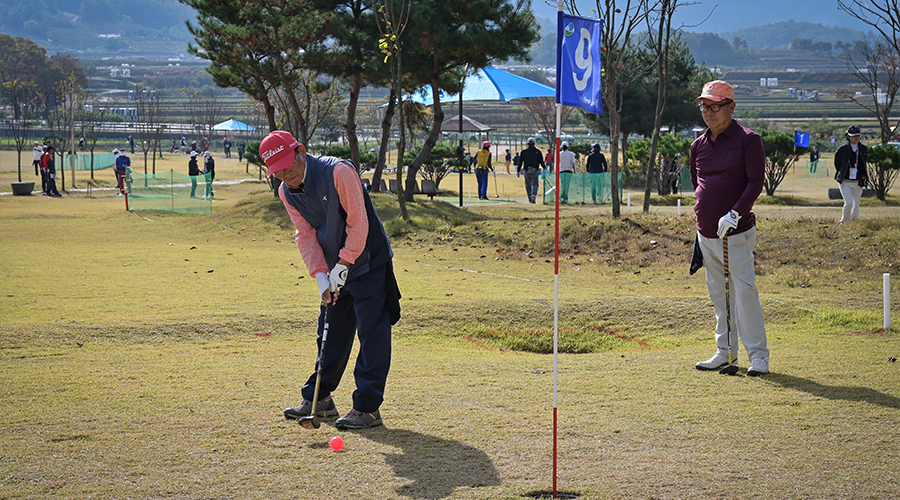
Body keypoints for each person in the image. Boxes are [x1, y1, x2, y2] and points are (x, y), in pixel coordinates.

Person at [261, 130, 401, 430]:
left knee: (372, 333)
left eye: (289, 165)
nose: (286, 175)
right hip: (334, 266)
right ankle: (319, 400)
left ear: (301, 151)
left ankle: (367, 408)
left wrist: (345, 262)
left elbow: (357, 221)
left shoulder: (339, 171)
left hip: (368, 261)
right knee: (330, 331)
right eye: (278, 171)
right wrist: (322, 276)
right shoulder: (287, 192)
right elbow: (306, 235)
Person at [689, 80, 769, 376]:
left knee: (743, 292)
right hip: (707, 233)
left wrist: (735, 213)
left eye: (715, 106)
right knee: (718, 294)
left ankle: (758, 355)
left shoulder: (749, 140)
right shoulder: (698, 145)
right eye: (704, 106)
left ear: (731, 107)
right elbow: (697, 182)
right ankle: (725, 351)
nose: (708, 112)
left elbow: (754, 182)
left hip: (736, 232)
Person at [834, 126, 869, 223]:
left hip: (858, 181)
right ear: (848, 136)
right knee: (849, 203)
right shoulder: (842, 149)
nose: (856, 138)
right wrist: (842, 173)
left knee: (856, 205)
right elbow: (837, 163)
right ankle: (844, 221)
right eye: (853, 136)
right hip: (845, 181)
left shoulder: (863, 149)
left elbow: (863, 165)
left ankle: (854, 222)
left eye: (858, 136)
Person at [517, 137, 545, 203]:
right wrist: (544, 167)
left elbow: (520, 162)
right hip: (535, 169)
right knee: (535, 183)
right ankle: (533, 194)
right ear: (534, 144)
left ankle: (530, 199)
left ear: (527, 144)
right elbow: (541, 161)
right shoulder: (538, 152)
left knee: (528, 184)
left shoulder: (524, 152)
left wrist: (518, 170)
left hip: (526, 169)